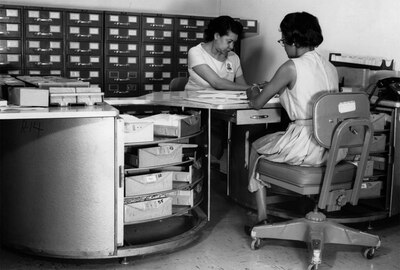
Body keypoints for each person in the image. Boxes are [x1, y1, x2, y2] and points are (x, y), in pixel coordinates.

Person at [245, 12, 347, 228]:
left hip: (305, 145)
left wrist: (252, 91)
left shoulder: (291, 66)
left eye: (283, 40)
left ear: (293, 40)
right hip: (332, 146)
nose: (283, 46)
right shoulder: (330, 67)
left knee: (254, 147)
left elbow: (256, 104)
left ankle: (262, 217)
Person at [184, 15, 251, 91]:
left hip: (223, 101)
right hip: (195, 100)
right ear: (216, 36)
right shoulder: (196, 52)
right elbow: (217, 83)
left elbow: (242, 86)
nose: (232, 46)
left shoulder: (233, 57)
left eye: (234, 42)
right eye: (229, 42)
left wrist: (257, 88)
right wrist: (252, 88)